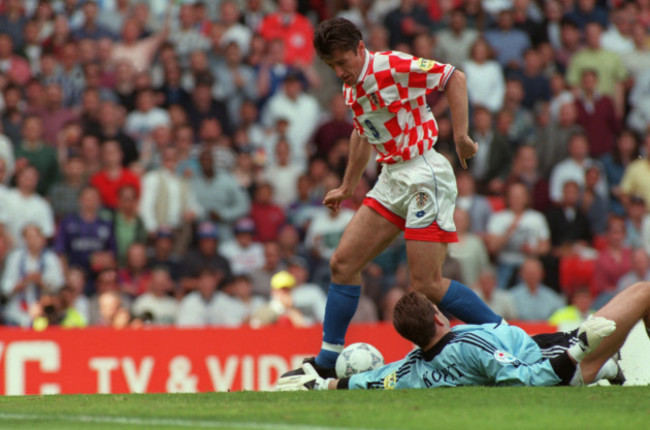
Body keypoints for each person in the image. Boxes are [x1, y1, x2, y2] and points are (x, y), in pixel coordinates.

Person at [283, 18, 503, 379]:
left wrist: (462, 136)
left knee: (427, 284)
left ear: (359, 49)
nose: (339, 72)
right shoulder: (351, 88)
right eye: (331, 67)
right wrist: (347, 186)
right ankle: (326, 363)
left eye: (342, 62)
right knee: (342, 263)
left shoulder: (391, 66)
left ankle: (504, 335)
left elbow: (454, 78)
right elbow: (362, 133)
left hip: (424, 174)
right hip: (392, 177)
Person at [278, 280, 650, 390]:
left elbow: (372, 381)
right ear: (440, 317)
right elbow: (523, 378)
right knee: (645, 292)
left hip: (537, 352)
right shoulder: (471, 344)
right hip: (554, 360)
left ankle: (607, 370)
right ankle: (603, 367)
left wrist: (321, 385)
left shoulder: (410, 371)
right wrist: (577, 352)